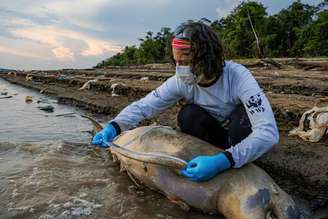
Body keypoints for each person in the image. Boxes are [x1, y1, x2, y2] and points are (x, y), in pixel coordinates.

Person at [92, 20, 279, 182]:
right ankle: (209, 157)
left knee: (244, 117)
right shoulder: (181, 81)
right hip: (213, 135)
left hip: (237, 133)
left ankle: (234, 158)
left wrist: (223, 161)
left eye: (187, 62)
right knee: (188, 115)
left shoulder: (238, 77)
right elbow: (145, 106)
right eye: (177, 62)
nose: (181, 69)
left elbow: (268, 132)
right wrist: (114, 126)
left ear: (208, 57)